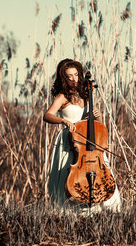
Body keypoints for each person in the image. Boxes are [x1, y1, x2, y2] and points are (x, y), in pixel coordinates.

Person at [43, 58, 121, 213]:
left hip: (88, 142)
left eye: (76, 74)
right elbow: (48, 115)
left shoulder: (86, 95)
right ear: (63, 78)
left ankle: (105, 208)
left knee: (103, 169)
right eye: (69, 76)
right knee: (68, 173)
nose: (73, 79)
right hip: (70, 140)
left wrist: (96, 115)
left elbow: (93, 123)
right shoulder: (62, 97)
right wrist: (64, 121)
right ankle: (70, 212)